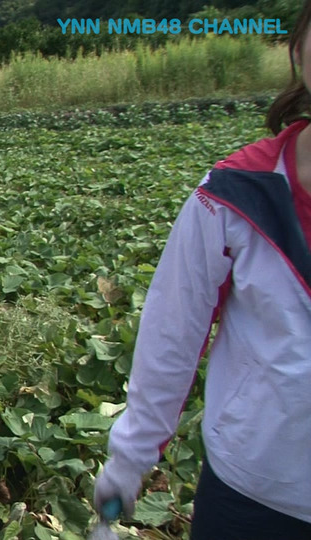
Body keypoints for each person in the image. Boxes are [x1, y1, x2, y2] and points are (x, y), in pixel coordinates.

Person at [93, 4, 311, 539]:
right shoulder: (235, 194)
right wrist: (130, 457)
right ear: (300, 47)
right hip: (257, 491)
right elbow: (173, 332)